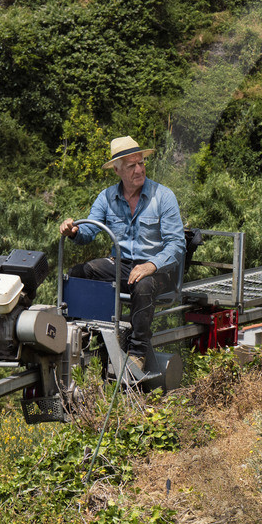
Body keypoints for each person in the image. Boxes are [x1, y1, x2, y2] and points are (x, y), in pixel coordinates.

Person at [61, 136, 185, 373]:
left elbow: (176, 245)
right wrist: (74, 230)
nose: (139, 169)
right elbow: (89, 231)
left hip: (156, 269)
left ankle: (137, 352)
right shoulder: (106, 197)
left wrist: (151, 265)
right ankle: (81, 338)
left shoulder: (164, 196)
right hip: (121, 265)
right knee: (79, 273)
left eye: (141, 163)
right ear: (117, 169)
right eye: (131, 166)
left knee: (143, 284)